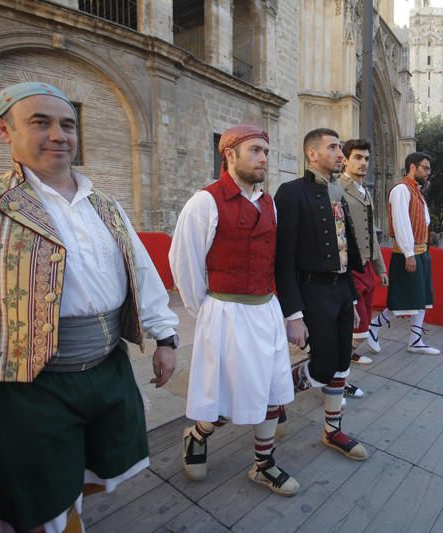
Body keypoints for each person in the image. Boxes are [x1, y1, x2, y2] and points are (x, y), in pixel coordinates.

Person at [0, 82, 179, 532]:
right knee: (39, 505)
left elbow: (141, 275)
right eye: (40, 123)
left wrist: (165, 336)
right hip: (28, 389)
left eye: (67, 124)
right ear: (4, 130)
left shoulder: (104, 205)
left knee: (85, 477)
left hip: (107, 372)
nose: (58, 135)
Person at [169, 125, 298, 495]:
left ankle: (263, 464)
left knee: (272, 389)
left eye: (266, 152)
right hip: (226, 312)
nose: (263, 159)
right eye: (255, 150)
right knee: (224, 397)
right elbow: (184, 264)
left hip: (266, 309)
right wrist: (209, 311)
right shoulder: (204, 202)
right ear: (230, 155)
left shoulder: (268, 202)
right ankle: (197, 434)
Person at [274, 128, 368, 461]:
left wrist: (353, 299)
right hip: (311, 291)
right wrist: (293, 313)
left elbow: (345, 252)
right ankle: (280, 391)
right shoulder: (290, 193)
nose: (340, 154)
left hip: (341, 290)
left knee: (342, 363)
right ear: (312, 154)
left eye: (340, 148)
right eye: (333, 148)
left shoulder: (336, 194)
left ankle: (332, 431)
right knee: (325, 365)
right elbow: (282, 260)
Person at [367, 152, 440, 356]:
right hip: (407, 253)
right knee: (402, 300)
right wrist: (409, 253)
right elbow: (401, 223)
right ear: (413, 167)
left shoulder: (417, 192)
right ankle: (374, 326)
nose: (428, 172)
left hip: (421, 252)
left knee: (423, 298)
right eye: (425, 168)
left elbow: (422, 221)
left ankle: (415, 340)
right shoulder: (401, 189)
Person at [338, 138, 388, 376]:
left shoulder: (364, 191)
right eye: (357, 157)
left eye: (366, 158)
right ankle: (337, 374)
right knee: (356, 324)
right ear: (345, 159)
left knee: (364, 320)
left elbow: (373, 233)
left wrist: (380, 268)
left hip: (366, 265)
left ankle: (348, 359)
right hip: (349, 268)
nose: (363, 163)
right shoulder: (337, 189)